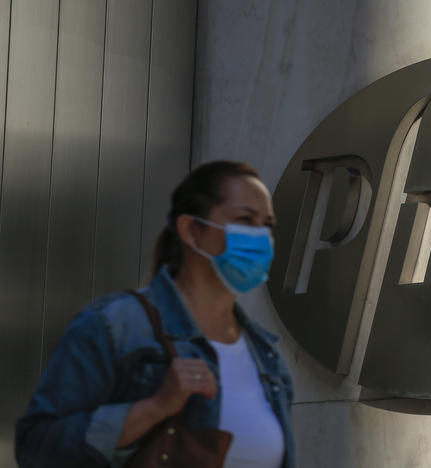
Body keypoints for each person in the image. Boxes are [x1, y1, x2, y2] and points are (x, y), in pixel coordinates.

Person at [15, 161, 295, 468]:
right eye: (244, 219)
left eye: (267, 225)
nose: (261, 238)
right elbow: (36, 448)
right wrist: (155, 407)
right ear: (190, 230)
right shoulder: (116, 326)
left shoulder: (266, 355)